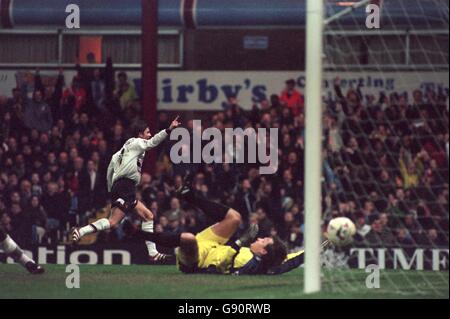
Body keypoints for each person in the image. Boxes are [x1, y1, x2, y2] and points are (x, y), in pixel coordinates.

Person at [129, 173, 319, 275]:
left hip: (198, 260)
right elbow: (292, 260)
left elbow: (226, 263)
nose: (260, 238)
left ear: (262, 252)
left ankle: (140, 234)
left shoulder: (251, 264)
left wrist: (242, 241)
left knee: (188, 238)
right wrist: (321, 247)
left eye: (264, 240)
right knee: (235, 218)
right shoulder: (270, 260)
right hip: (213, 244)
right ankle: (189, 195)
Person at [72, 117, 181, 263]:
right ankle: (81, 231)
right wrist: (169, 129)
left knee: (148, 215)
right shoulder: (137, 142)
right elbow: (152, 143)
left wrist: (112, 189)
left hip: (123, 187)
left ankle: (153, 253)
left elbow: (111, 166)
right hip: (125, 186)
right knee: (112, 222)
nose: (149, 135)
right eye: (147, 132)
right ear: (140, 134)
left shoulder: (122, 151)